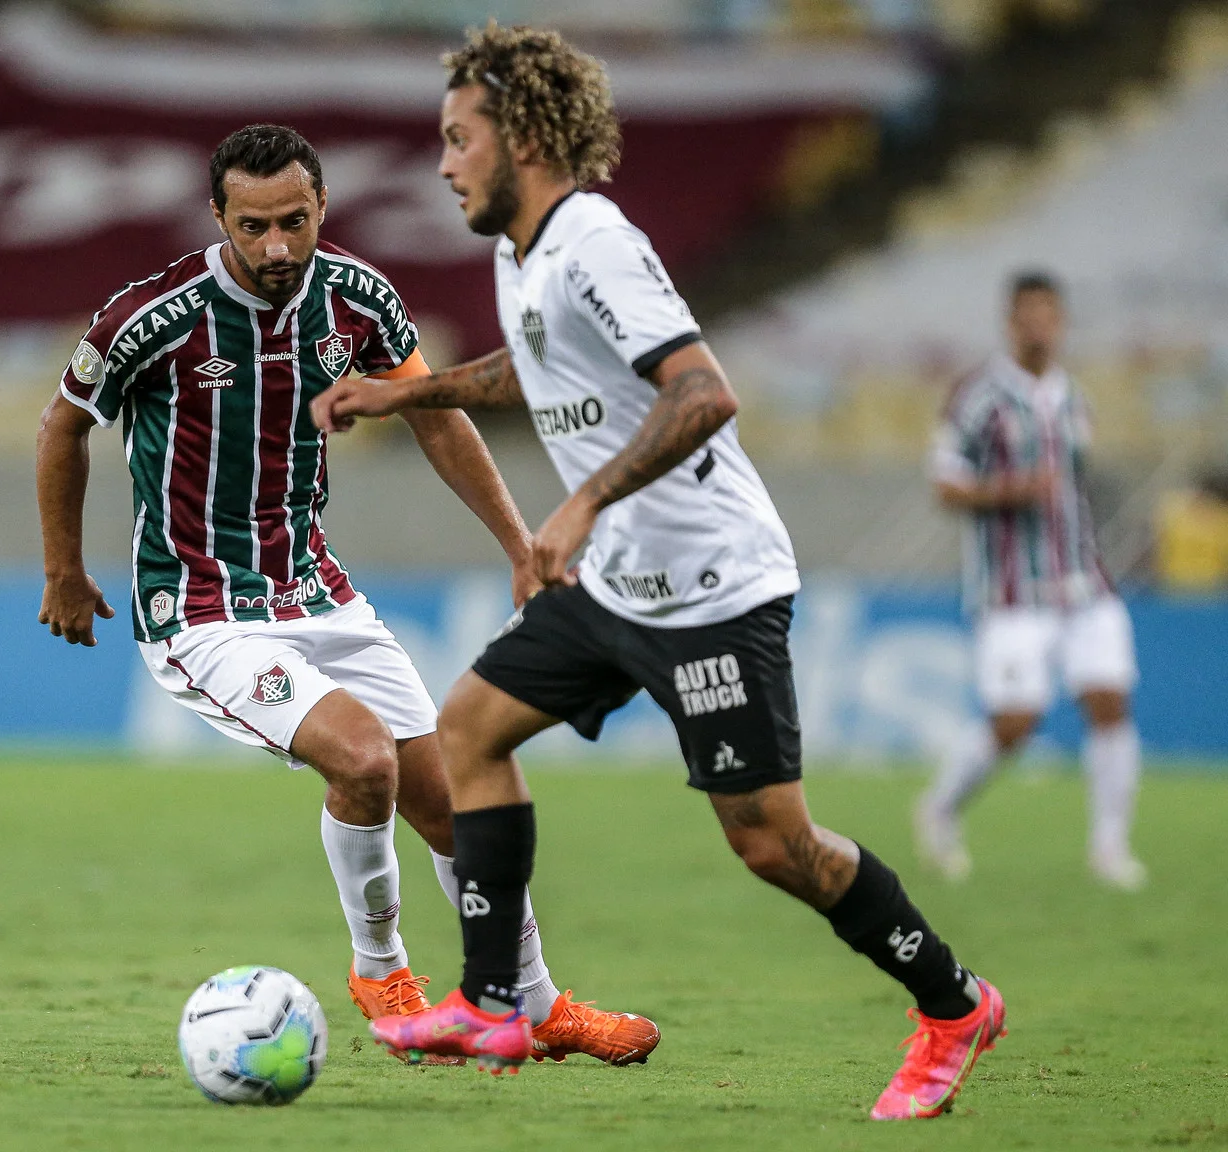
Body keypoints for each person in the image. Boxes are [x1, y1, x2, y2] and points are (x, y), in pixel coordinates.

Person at [318, 25, 1004, 1118]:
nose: (442, 163)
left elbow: (701, 391)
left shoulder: (592, 240)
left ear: (526, 136)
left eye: (459, 139)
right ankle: (496, 996)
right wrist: (410, 393)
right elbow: (538, 369)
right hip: (615, 582)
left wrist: (579, 503)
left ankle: (953, 1005)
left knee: (771, 845)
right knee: (467, 733)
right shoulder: (521, 254)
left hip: (713, 591)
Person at [35, 123, 657, 1065]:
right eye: (254, 227)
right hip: (201, 610)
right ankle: (384, 974)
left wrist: (519, 543)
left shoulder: (358, 298)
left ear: (322, 205)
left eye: (295, 221)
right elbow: (61, 427)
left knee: (453, 803)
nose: (278, 246)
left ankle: (536, 1001)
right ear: (218, 217)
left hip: (320, 594)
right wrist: (63, 571)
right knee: (365, 763)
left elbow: (435, 418)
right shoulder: (151, 316)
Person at [916, 272, 1145, 890]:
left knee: (1110, 702)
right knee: (1016, 721)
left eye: (1051, 315)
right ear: (1010, 322)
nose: (1041, 327)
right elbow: (944, 482)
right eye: (1029, 316)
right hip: (1013, 589)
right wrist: (1008, 490)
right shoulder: (979, 395)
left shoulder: (1074, 396)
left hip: (1084, 579)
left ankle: (1110, 847)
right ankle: (939, 809)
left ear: (1062, 322)